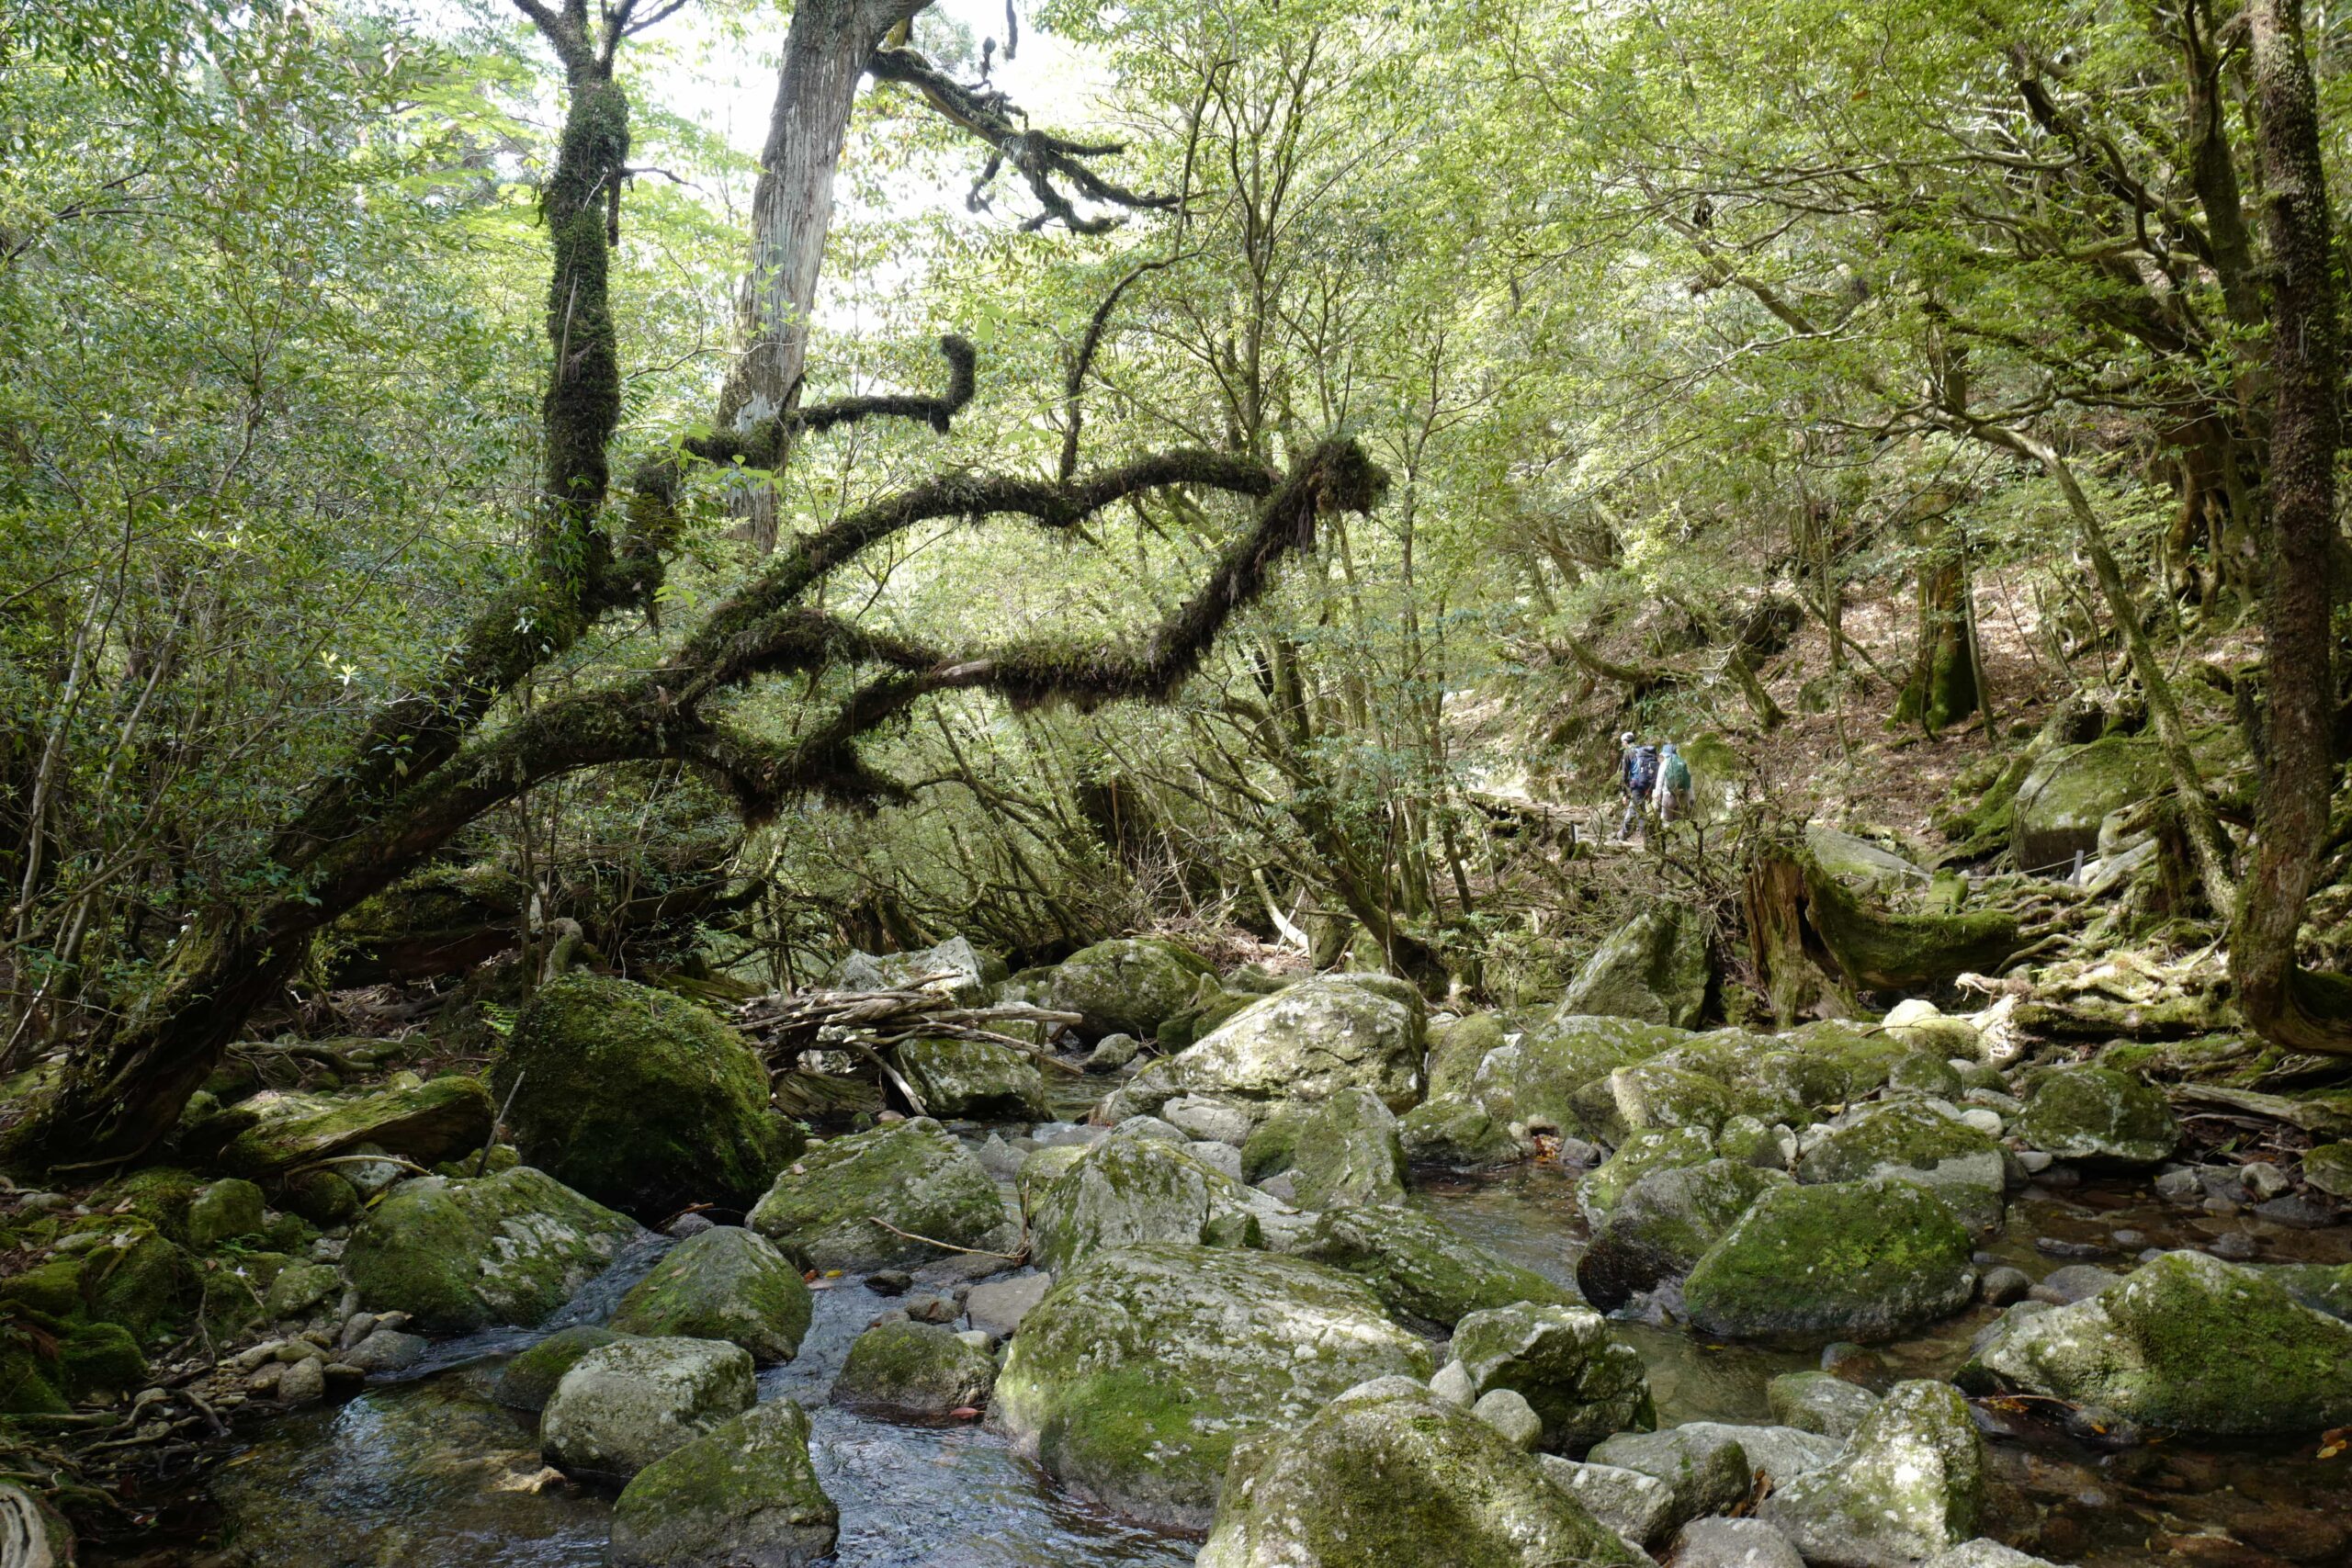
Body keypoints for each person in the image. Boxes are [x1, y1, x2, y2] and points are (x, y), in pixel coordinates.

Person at [1615, 732, 1659, 840]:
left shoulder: (1628, 753)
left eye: (1622, 743)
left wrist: (1624, 793)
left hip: (1637, 786)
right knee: (1633, 808)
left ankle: (1647, 840)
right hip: (1647, 784)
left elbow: (1624, 775)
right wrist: (1648, 790)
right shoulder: (1643, 750)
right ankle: (1623, 834)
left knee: (1640, 813)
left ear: (1625, 742)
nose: (1622, 745)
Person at [1654, 740, 1693, 825]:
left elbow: (1659, 783)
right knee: (1679, 824)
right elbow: (1689, 781)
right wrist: (1691, 799)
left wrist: (1657, 802)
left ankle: (1669, 837)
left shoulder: (1665, 763)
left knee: (1667, 823)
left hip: (1668, 797)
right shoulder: (1683, 762)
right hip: (1683, 796)